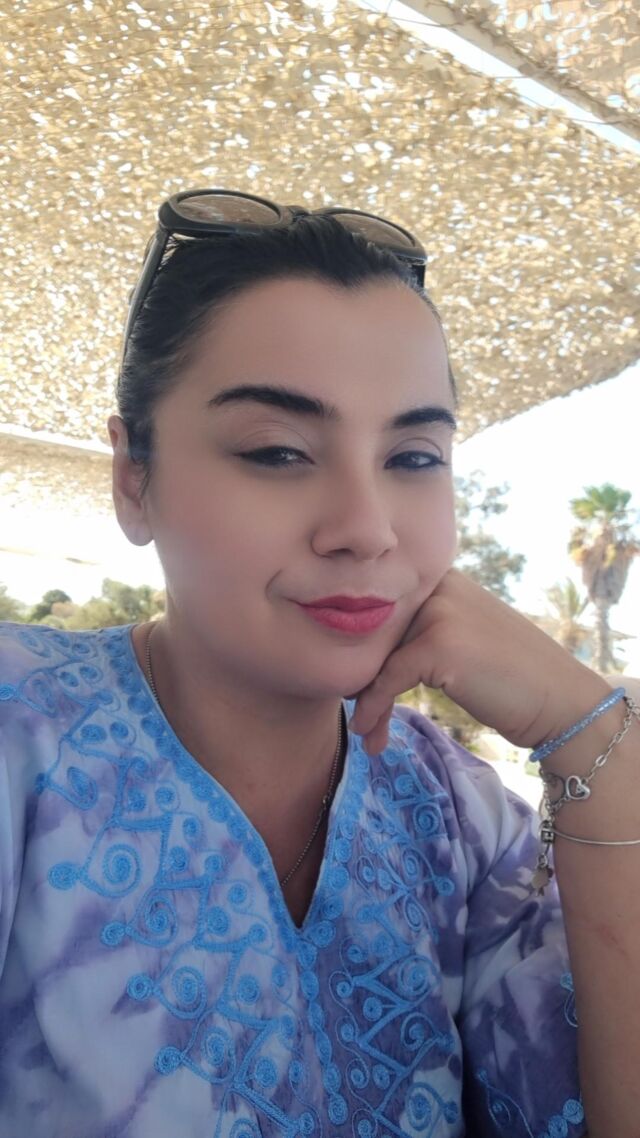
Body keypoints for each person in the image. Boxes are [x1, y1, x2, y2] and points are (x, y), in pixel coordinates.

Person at [0, 189, 638, 1138]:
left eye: (414, 457)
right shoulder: (22, 731)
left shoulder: (456, 815)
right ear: (134, 477)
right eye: (278, 451)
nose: (367, 528)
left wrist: (595, 738)